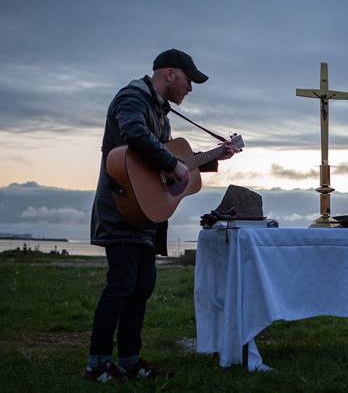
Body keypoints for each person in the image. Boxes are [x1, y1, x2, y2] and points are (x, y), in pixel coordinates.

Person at [85, 49, 237, 382]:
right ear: (170, 74)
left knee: (141, 286)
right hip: (121, 207)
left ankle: (129, 360)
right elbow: (135, 136)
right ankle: (97, 364)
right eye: (189, 80)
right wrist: (172, 164)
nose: (191, 89)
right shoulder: (132, 97)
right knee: (121, 285)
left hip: (145, 214)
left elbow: (165, 166)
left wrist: (213, 158)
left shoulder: (162, 114)